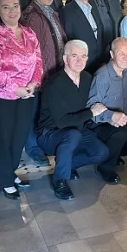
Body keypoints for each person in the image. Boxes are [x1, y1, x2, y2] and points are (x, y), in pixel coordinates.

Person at [0, 0, 42, 200]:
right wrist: (17, 89)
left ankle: (10, 172)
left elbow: (38, 61)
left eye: (15, 5)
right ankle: (6, 181)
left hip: (26, 96)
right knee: (3, 141)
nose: (12, 10)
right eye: (6, 7)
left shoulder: (29, 33)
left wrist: (34, 83)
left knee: (19, 138)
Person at [37, 40, 111, 200]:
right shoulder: (54, 84)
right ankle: (59, 181)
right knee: (72, 135)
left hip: (77, 129)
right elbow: (62, 122)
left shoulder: (87, 78)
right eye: (74, 56)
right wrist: (91, 112)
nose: (79, 61)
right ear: (65, 58)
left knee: (101, 152)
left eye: (83, 56)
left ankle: (67, 165)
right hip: (50, 133)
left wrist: (111, 117)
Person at [22, 0, 68, 166]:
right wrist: (39, 76)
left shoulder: (51, 12)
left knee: (44, 113)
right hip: (39, 76)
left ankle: (44, 145)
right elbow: (32, 50)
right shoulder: (33, 15)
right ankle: (33, 149)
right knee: (34, 114)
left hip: (53, 72)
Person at [60, 0, 109, 72]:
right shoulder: (67, 12)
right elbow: (66, 39)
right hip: (80, 65)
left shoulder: (93, 8)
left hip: (97, 62)